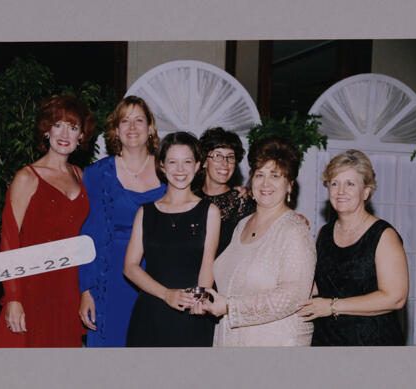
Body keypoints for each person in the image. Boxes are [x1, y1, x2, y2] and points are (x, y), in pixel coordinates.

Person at [0, 94, 96, 347]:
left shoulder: (83, 178)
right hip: (32, 290)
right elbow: (9, 240)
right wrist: (14, 298)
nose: (65, 133)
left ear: (81, 136)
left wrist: (88, 289)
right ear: (46, 130)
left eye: (73, 127)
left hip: (70, 292)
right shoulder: (27, 178)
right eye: (58, 124)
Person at [201, 136, 316, 347]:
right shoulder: (242, 225)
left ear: (289, 185)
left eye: (275, 176)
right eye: (259, 174)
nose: (265, 183)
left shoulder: (295, 230)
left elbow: (293, 296)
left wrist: (231, 307)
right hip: (230, 341)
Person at [78, 96, 166, 347]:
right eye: (124, 121)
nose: (132, 127)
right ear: (116, 129)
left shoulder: (168, 171)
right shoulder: (96, 174)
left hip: (157, 278)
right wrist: (86, 290)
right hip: (110, 281)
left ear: (150, 128)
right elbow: (88, 234)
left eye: (139, 120)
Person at [297, 149, 409, 346]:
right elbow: (320, 285)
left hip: (372, 343)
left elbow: (395, 298)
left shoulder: (384, 235)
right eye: (334, 183)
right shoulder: (324, 233)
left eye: (350, 184)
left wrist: (332, 306)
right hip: (326, 341)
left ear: (366, 191)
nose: (340, 191)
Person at [124, 131, 221, 347]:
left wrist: (200, 300)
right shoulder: (146, 212)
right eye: (173, 162)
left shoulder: (210, 211)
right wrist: (166, 294)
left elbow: (208, 265)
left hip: (191, 314)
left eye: (187, 162)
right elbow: (130, 267)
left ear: (197, 166)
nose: (180, 169)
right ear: (162, 166)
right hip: (151, 312)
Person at [194, 127, 256, 256]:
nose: (225, 163)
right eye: (217, 156)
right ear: (204, 161)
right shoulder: (191, 198)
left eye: (230, 157)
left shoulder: (243, 202)